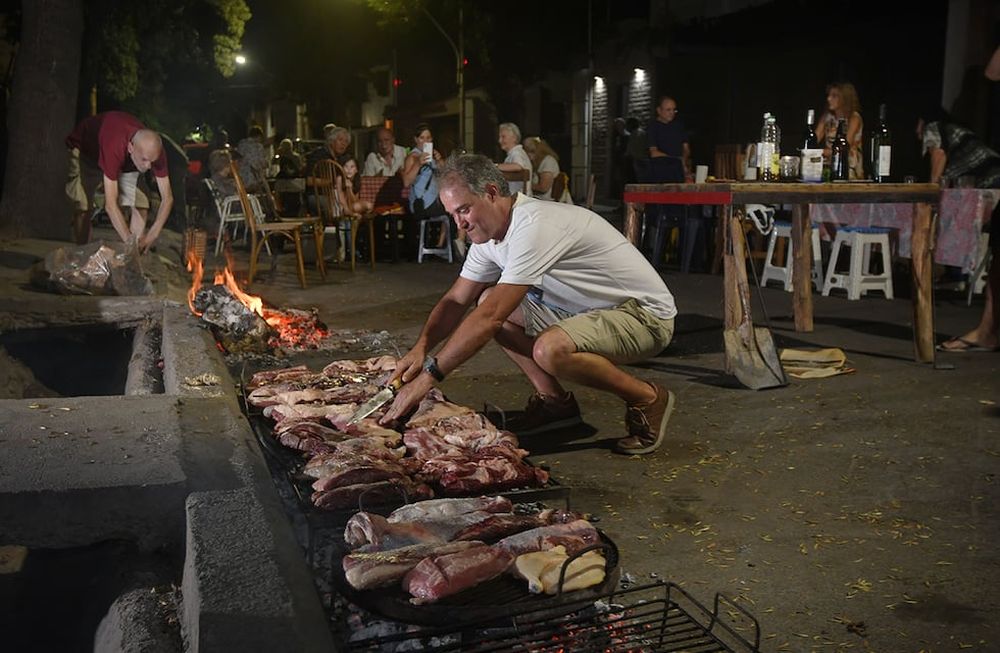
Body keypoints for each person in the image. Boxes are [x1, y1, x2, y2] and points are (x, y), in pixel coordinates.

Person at [379, 153, 679, 455]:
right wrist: (421, 347)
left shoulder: (532, 225)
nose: (460, 223)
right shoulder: (488, 237)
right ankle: (556, 404)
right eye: (453, 214)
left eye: (464, 210)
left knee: (547, 348)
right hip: (581, 311)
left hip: (643, 315)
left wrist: (428, 378)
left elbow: (490, 317)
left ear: (492, 193)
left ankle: (647, 398)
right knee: (485, 298)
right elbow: (457, 299)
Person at [921, 107, 1000, 353]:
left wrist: (931, 190)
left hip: (990, 181)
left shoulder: (933, 127)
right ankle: (987, 332)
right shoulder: (956, 130)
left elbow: (938, 157)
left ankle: (987, 332)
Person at [65, 110, 173, 250]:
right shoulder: (114, 145)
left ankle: (132, 259)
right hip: (86, 152)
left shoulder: (154, 152)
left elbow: (168, 198)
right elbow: (111, 205)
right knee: (83, 207)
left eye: (152, 161)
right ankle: (83, 253)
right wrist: (129, 240)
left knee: (141, 203)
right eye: (145, 160)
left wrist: (153, 234)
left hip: (126, 161)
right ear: (130, 148)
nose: (148, 167)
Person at [401, 122, 465, 257]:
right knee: (458, 206)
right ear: (416, 139)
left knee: (457, 204)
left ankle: (444, 245)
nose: (426, 141)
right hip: (422, 204)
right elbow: (406, 182)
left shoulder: (432, 156)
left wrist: (440, 160)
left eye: (428, 138)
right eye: (422, 138)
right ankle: (458, 242)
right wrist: (418, 164)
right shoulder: (412, 157)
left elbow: (445, 174)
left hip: (434, 200)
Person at [645, 96, 691, 268]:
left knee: (693, 213)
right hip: (661, 176)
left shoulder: (678, 127)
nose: (671, 113)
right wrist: (674, 160)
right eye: (668, 110)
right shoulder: (653, 127)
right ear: (659, 110)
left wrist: (683, 161)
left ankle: (687, 258)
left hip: (679, 174)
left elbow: (686, 149)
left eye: (674, 110)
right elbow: (653, 153)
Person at [815, 82, 864, 180]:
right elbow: (813, 139)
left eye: (834, 96)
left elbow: (844, 147)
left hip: (849, 168)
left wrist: (818, 152)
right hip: (829, 167)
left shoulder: (854, 118)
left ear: (844, 99)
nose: (829, 99)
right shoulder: (827, 117)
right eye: (829, 95)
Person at [523, 136, 568, 202]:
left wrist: (524, 185)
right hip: (537, 199)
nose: (529, 155)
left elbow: (544, 188)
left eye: (531, 152)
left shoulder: (548, 161)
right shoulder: (535, 163)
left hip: (547, 201)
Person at [497, 122, 533, 195]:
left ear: (514, 138)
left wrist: (495, 166)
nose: (499, 140)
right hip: (517, 197)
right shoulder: (515, 153)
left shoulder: (517, 153)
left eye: (503, 137)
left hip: (519, 200)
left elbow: (518, 166)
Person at [236, 125, 269, 193]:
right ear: (259, 136)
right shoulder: (258, 146)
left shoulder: (242, 144)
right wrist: (265, 164)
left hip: (242, 175)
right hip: (253, 177)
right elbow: (258, 164)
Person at [625, 116, 648, 183]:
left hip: (637, 160)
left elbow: (631, 148)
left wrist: (627, 154)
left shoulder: (634, 134)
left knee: (637, 179)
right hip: (644, 159)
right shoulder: (643, 133)